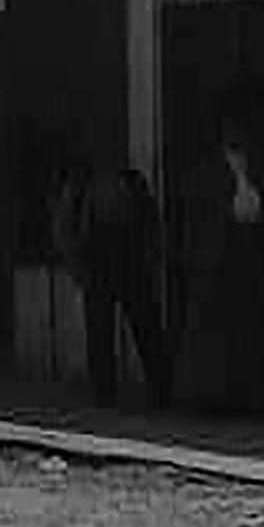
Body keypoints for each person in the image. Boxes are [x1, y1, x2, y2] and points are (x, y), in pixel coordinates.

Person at [173, 92, 264, 414]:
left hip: (248, 262)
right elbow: (195, 216)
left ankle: (246, 395)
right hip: (216, 263)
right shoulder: (205, 172)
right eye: (231, 128)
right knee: (212, 335)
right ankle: (209, 397)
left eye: (242, 129)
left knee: (247, 333)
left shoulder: (260, 166)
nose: (237, 134)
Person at [52, 161, 169, 409]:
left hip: (126, 263)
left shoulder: (129, 181)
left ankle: (156, 388)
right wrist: (78, 268)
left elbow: (150, 223)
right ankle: (110, 392)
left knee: (141, 328)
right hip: (103, 264)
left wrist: (152, 259)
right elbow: (65, 227)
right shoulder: (85, 181)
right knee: (106, 332)